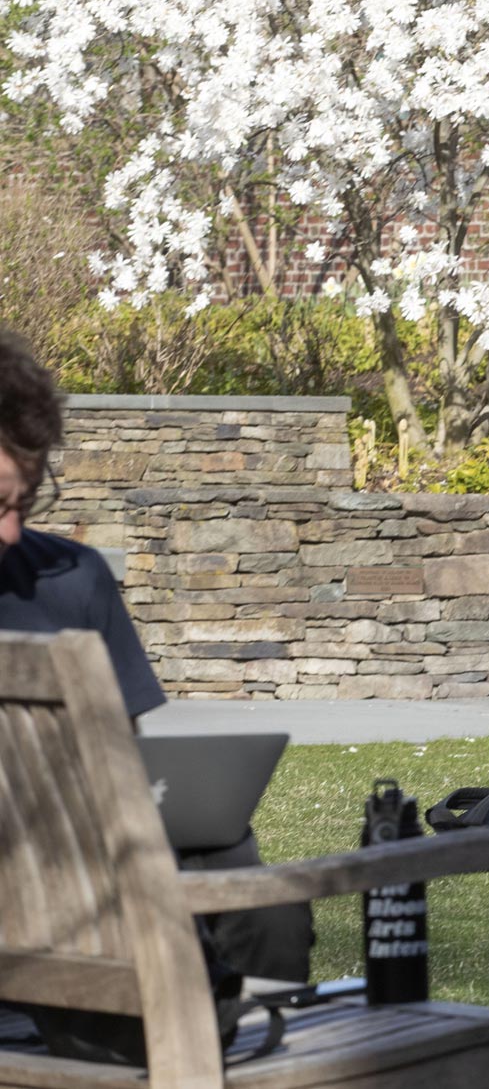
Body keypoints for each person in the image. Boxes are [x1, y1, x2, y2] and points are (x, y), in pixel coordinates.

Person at [0, 332, 314, 996]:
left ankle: (244, 1042)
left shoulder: (72, 577)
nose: (10, 531)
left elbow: (128, 757)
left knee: (255, 890)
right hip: (30, 878)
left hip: (95, 844)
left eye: (25, 504)